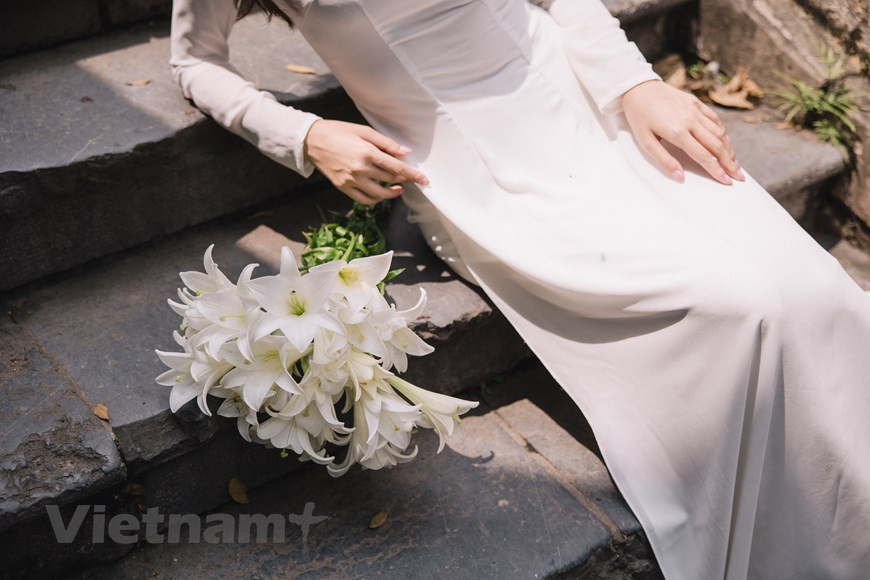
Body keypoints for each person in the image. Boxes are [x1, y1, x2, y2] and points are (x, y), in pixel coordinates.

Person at [169, 1, 870, 578]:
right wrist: (307, 133)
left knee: (817, 291)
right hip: (480, 170)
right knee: (742, 305)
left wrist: (636, 84)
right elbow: (194, 60)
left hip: (586, 95)